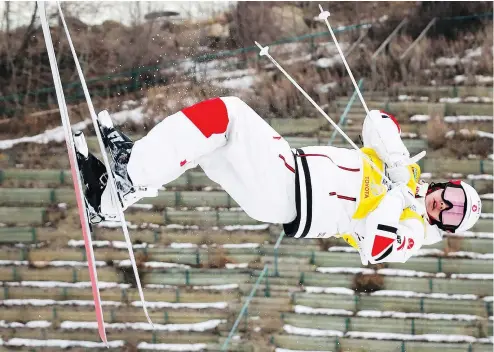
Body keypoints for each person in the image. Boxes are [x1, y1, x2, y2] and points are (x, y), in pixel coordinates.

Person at [74, 96, 482, 265]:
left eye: (453, 216)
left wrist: (396, 198)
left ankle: (130, 174)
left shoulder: (413, 230)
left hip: (290, 195)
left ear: (444, 228)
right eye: (454, 198)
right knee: (205, 142)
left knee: (227, 114)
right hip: (287, 169)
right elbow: (378, 121)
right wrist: (397, 165)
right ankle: (115, 194)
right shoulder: (406, 174)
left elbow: (375, 249)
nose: (445, 207)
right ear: (447, 184)